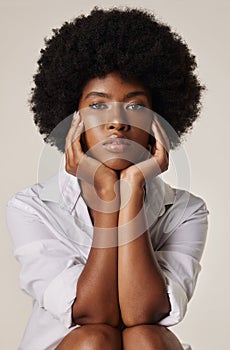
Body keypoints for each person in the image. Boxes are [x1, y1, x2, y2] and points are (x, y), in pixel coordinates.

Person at [6, 6, 209, 350]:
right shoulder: (32, 207)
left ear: (157, 123)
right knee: (94, 339)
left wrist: (129, 195)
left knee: (145, 337)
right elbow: (93, 315)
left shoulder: (186, 211)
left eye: (135, 105)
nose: (117, 121)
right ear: (73, 122)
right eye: (98, 105)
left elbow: (141, 313)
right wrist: (104, 192)